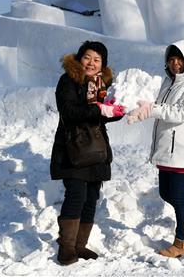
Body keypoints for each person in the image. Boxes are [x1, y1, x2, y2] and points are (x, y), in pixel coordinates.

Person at [128, 39, 184, 258]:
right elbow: (161, 110)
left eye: (179, 59)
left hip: (183, 150)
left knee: (180, 197)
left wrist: (153, 109)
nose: (175, 63)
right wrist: (143, 110)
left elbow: (182, 112)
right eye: (171, 59)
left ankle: (182, 241)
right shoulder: (168, 82)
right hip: (166, 149)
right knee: (166, 193)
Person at [50, 40, 126, 265]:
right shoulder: (68, 81)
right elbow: (69, 111)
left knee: (91, 198)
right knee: (76, 195)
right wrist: (98, 108)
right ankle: (66, 247)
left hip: (96, 148)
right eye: (87, 58)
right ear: (79, 58)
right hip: (72, 147)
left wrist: (115, 111)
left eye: (97, 60)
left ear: (103, 64)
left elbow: (103, 115)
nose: (91, 63)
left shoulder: (103, 84)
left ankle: (79, 245)